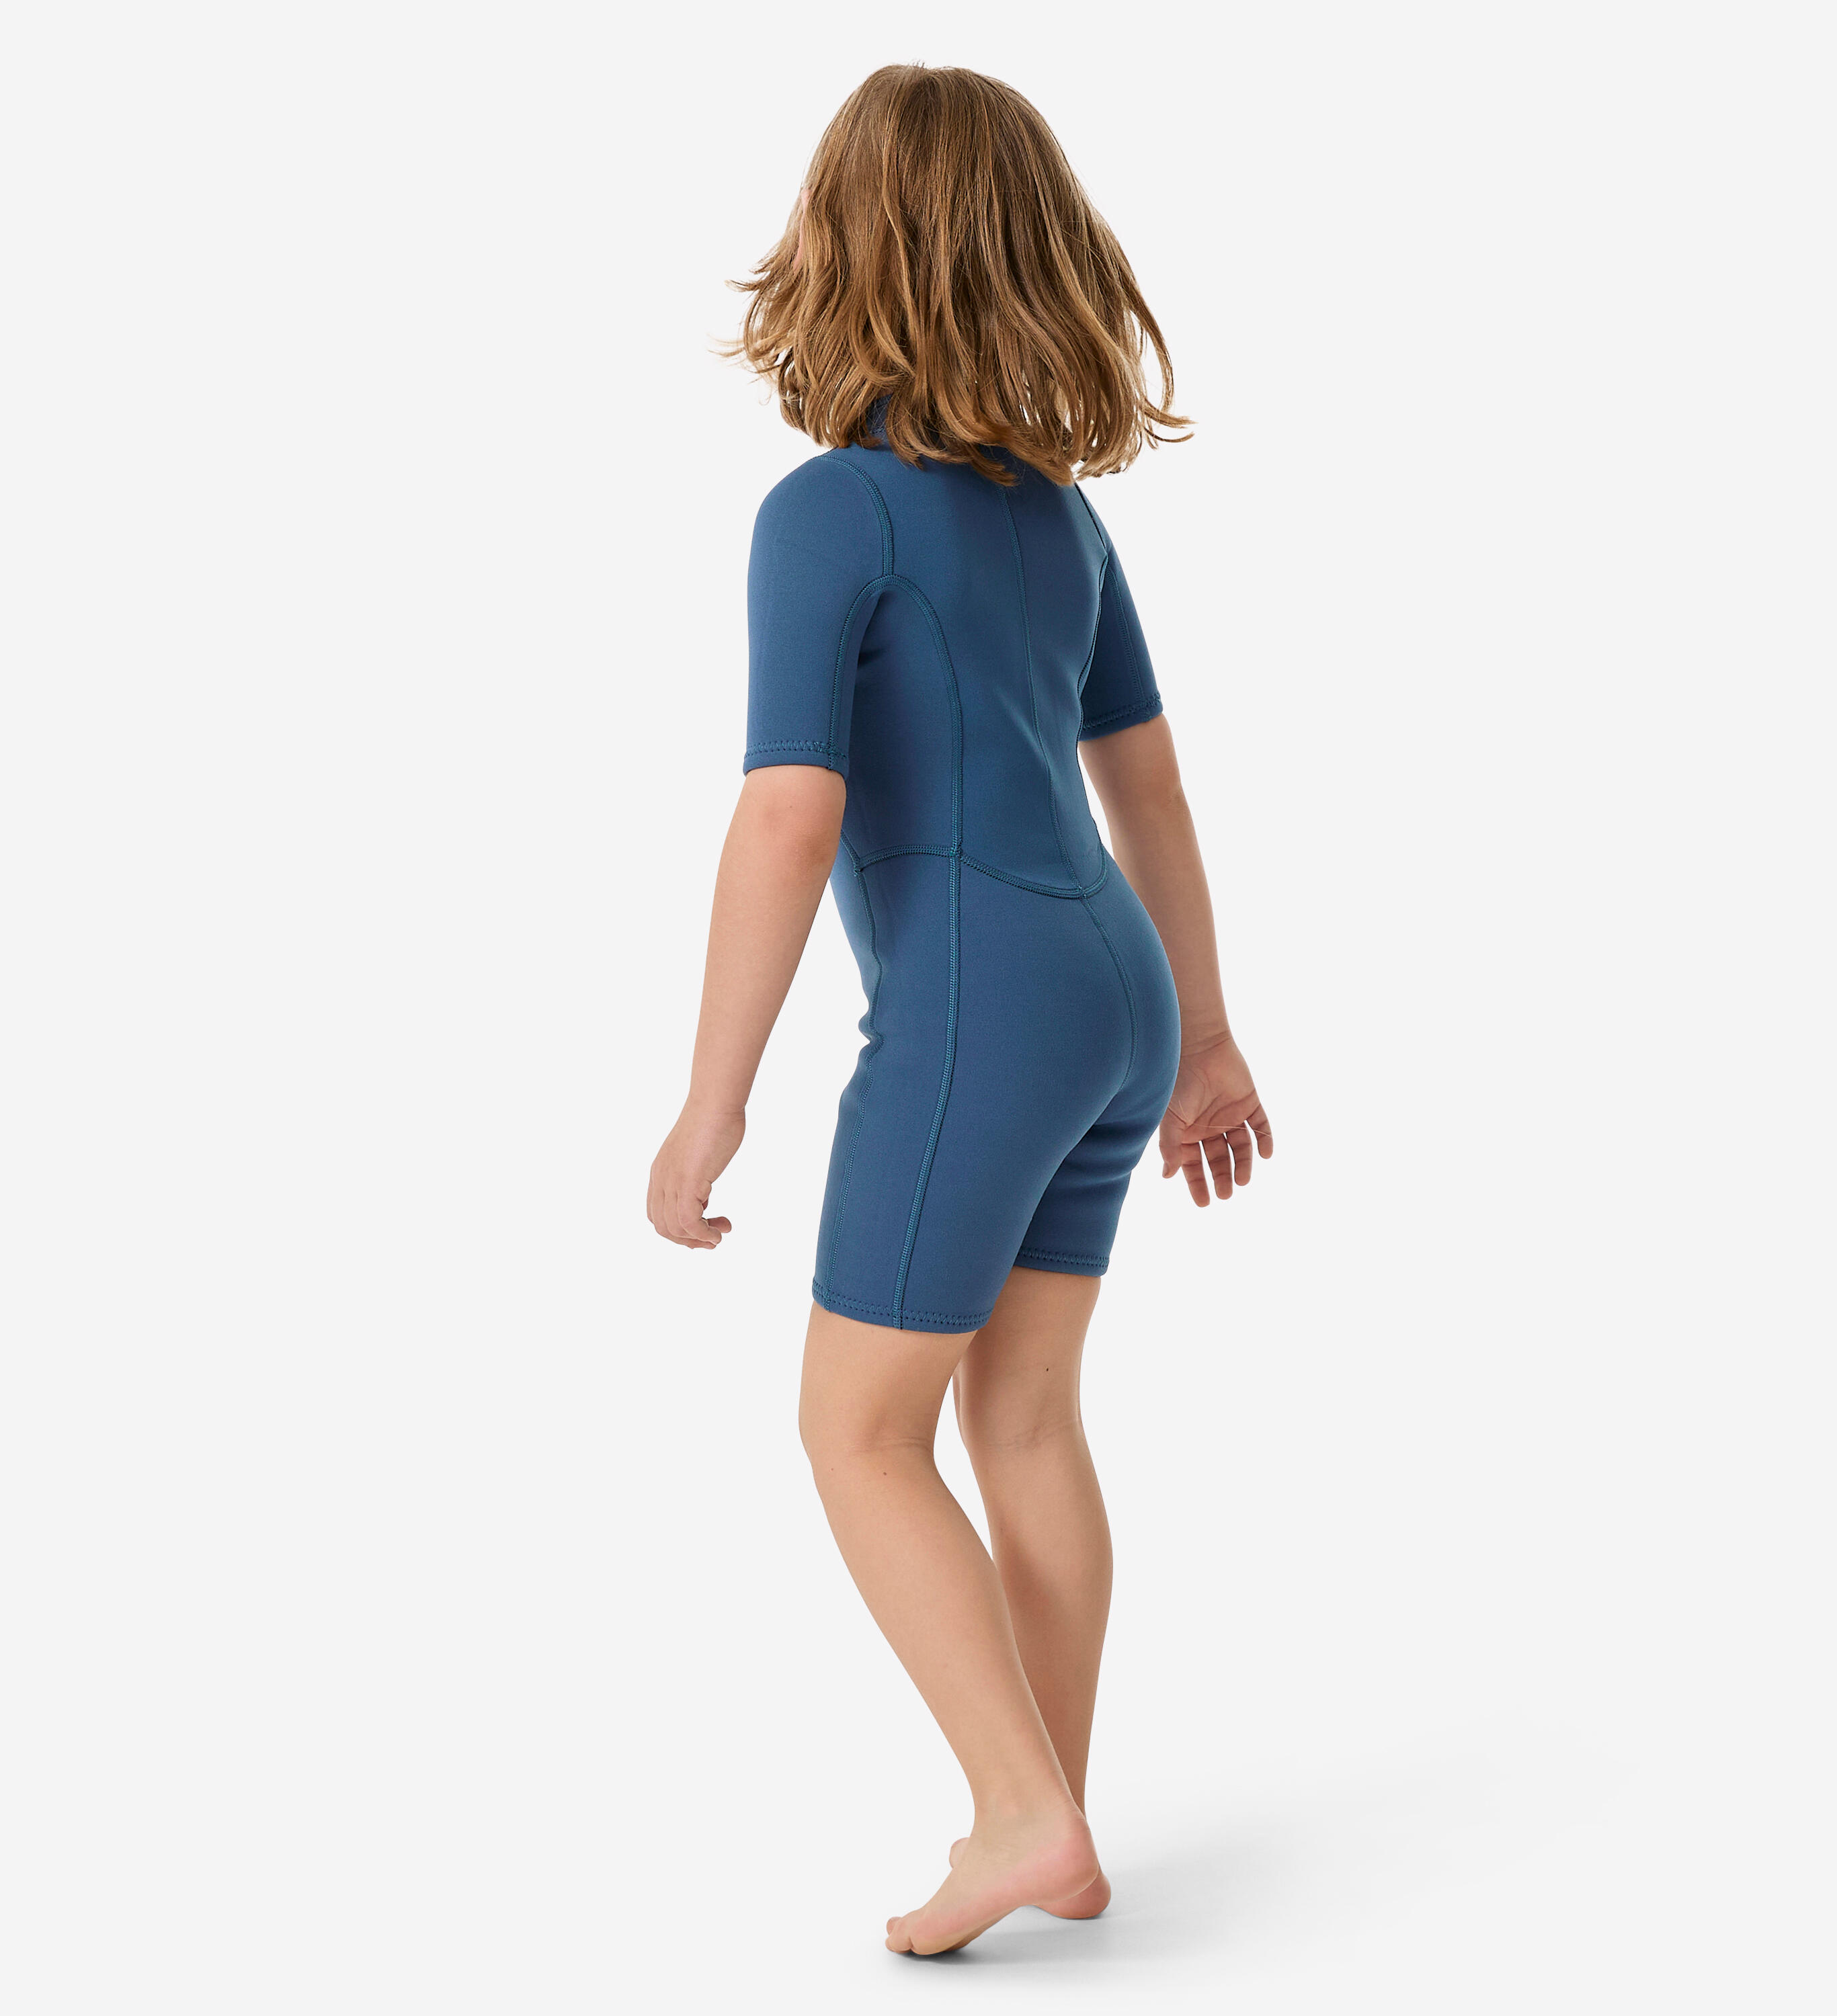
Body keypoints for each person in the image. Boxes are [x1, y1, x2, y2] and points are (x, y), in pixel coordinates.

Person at [646, 63, 1272, 1956]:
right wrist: (1208, 1038)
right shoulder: (1063, 519)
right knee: (1025, 1419)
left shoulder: (826, 511)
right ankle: (1046, 1808)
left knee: (855, 1432)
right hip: (1116, 993)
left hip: (985, 1005)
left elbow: (788, 813)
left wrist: (711, 1102)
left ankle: (1017, 1810)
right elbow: (1150, 786)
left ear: (836, 251)